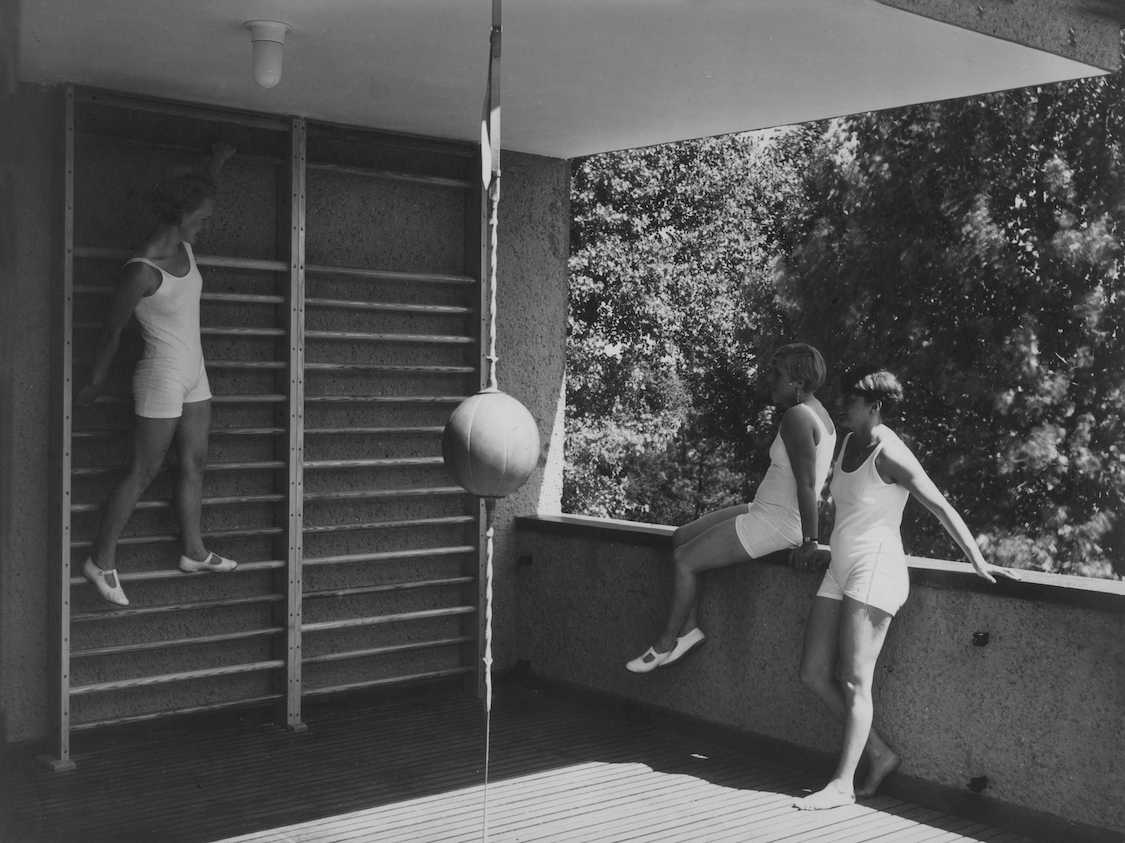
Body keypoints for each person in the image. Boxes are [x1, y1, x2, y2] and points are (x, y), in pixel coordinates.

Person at [793, 366, 1019, 810]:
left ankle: (842, 786)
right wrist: (829, 548)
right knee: (813, 672)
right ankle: (879, 753)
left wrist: (977, 559)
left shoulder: (890, 452)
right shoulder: (846, 442)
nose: (842, 404)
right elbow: (853, 510)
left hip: (876, 570)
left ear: (874, 406)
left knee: (856, 682)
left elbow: (939, 505)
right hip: (841, 566)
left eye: (851, 399)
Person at [75, 141, 239, 607]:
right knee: (144, 470)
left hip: (195, 373)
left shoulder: (182, 238)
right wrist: (93, 382)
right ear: (182, 216)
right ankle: (100, 561)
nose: (205, 226)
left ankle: (193, 551)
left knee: (194, 464)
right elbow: (110, 332)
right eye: (203, 219)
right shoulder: (141, 270)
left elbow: (197, 191)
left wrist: (217, 162)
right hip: (161, 376)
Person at [627, 343, 837, 673]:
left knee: (684, 561)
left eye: (777, 373)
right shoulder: (817, 413)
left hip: (775, 522)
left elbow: (808, 486)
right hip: (763, 509)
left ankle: (665, 643)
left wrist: (810, 540)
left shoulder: (798, 417)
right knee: (682, 537)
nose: (770, 379)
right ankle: (689, 629)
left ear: (798, 381)